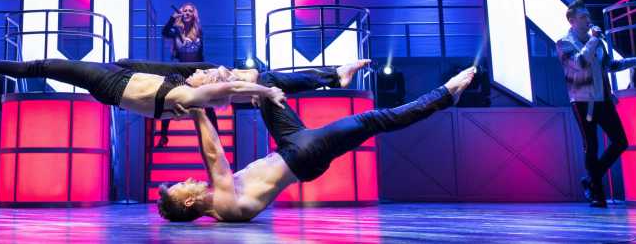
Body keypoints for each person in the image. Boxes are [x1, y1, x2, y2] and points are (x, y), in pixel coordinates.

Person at [156, 66, 476, 222]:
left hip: (290, 145)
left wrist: (207, 101)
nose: (187, 179)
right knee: (373, 120)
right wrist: (196, 108)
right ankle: (444, 95)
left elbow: (213, 154)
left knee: (266, 83)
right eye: (181, 186)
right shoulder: (224, 206)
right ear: (188, 202)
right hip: (303, 155)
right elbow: (215, 155)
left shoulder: (218, 198)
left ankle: (334, 76)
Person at [0, 50, 288, 120]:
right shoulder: (190, 95)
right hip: (120, 79)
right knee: (165, 68)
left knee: (45, 66)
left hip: (111, 84)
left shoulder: (196, 93)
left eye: (203, 73)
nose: (197, 73)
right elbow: (230, 88)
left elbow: (232, 90)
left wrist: (266, 91)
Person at [557, 0, 636, 208]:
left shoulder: (596, 42)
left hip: (603, 99)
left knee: (620, 141)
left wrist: (635, 61)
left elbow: (609, 65)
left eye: (588, 16)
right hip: (582, 101)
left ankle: (590, 180)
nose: (588, 20)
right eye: (583, 17)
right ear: (572, 21)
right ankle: (598, 195)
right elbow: (580, 63)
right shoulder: (564, 43)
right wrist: (594, 40)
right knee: (591, 146)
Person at [158, 4, 210, 146]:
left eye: (190, 11)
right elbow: (164, 32)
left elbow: (201, 53)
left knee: (207, 102)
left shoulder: (198, 31)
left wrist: (204, 71)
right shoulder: (176, 30)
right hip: (180, 69)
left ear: (194, 15)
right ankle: (163, 136)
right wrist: (172, 18)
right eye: (184, 10)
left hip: (196, 71)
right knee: (168, 98)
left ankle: (215, 135)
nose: (187, 13)